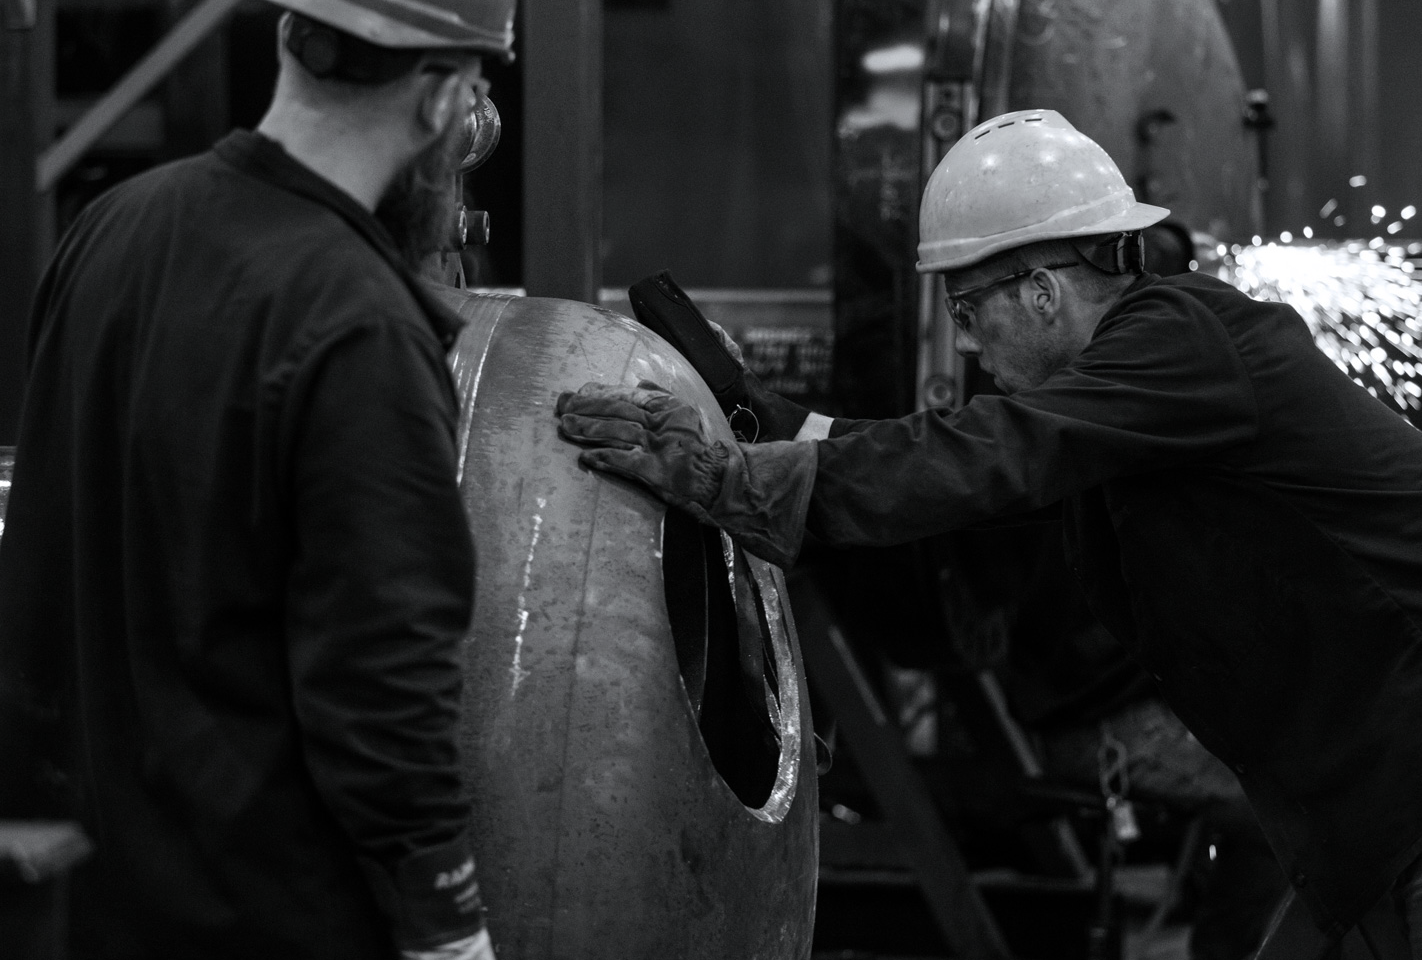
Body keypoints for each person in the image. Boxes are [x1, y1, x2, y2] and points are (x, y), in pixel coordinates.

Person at [556, 109, 1422, 954]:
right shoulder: (1136, 394)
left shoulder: (1184, 343)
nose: (965, 344)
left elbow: (991, 451)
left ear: (1042, 291)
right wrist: (765, 419)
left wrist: (732, 483)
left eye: (968, 310)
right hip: (1361, 813)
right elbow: (948, 461)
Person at [0, 0, 512, 957]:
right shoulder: (363, 324)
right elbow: (386, 684)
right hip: (264, 913)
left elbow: (40, 563)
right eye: (475, 89)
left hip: (91, 907)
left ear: (289, 39)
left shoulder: (112, 228)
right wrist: (448, 925)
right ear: (441, 99)